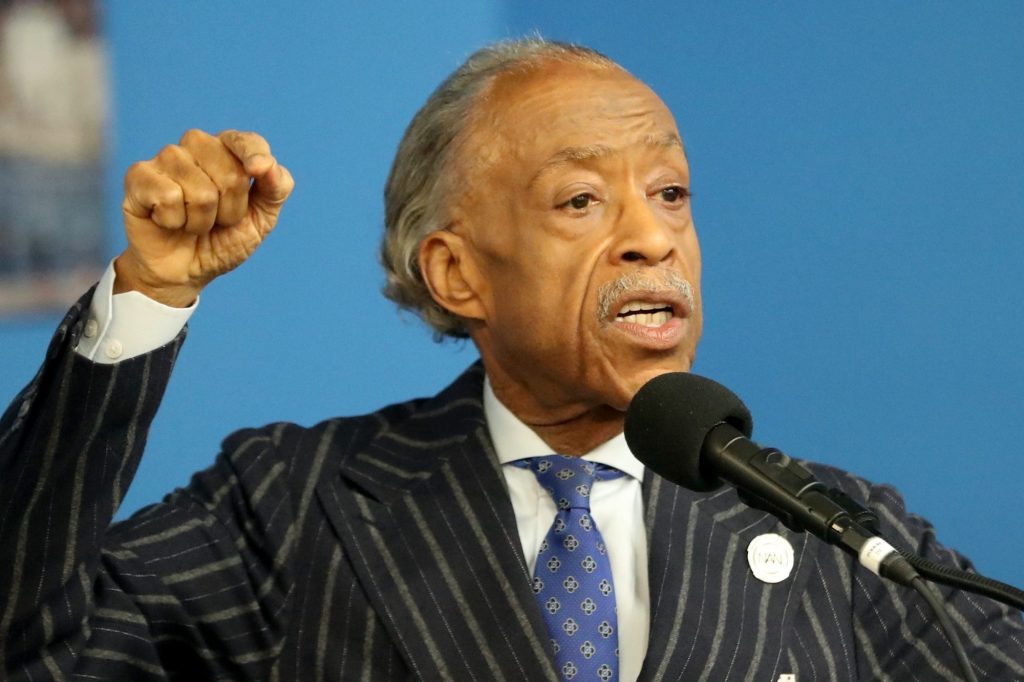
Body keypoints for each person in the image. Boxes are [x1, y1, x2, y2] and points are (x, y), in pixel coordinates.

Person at [1, 38, 1022, 681]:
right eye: (582, 201)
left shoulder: (834, 531)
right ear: (456, 274)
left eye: (669, 194)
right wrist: (150, 295)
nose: (652, 239)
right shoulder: (292, 501)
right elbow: (27, 645)